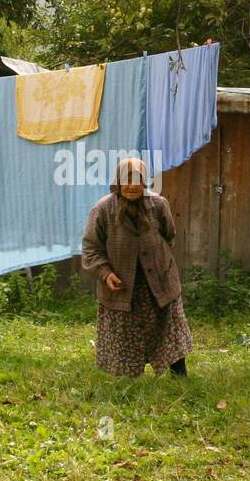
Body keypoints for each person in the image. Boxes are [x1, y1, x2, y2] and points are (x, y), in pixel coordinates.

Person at [81, 157, 192, 377]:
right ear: (118, 182)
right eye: (127, 179)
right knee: (124, 334)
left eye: (138, 179)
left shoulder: (158, 205)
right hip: (121, 285)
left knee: (168, 327)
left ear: (145, 182)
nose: (132, 185)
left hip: (159, 282)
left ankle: (179, 377)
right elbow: (91, 248)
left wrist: (159, 261)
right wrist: (105, 273)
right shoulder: (102, 209)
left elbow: (169, 236)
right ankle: (126, 385)